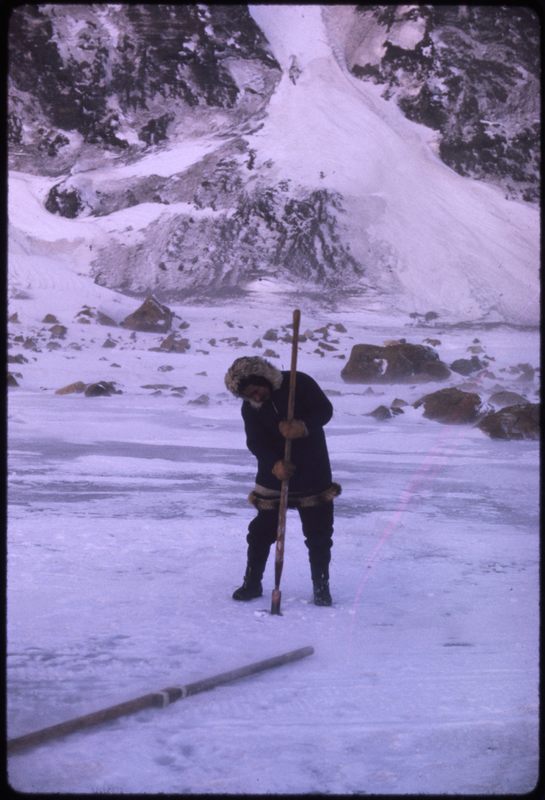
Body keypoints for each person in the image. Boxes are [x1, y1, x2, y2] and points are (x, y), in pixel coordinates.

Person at [224, 355, 341, 606]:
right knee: (260, 534)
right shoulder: (250, 408)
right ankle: (252, 583)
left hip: (313, 470)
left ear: (263, 378)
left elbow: (325, 410)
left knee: (319, 535)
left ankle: (321, 588)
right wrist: (274, 464)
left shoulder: (299, 383)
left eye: (256, 390)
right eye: (248, 396)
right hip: (273, 476)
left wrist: (304, 426)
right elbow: (255, 442)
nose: (255, 397)